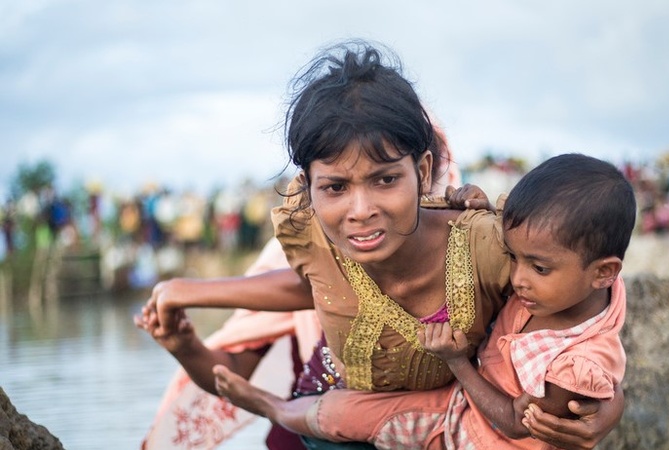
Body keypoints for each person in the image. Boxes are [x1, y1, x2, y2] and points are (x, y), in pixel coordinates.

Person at [136, 40, 623, 449]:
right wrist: (185, 338)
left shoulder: (487, 247)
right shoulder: (313, 242)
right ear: (307, 187)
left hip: (447, 426)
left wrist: (608, 403)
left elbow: (580, 310)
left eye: (386, 178)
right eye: (335, 187)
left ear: (425, 171)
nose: (360, 209)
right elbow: (291, 307)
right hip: (325, 418)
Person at [212, 153, 634, 449]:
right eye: (511, 255)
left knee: (342, 415)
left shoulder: (575, 358)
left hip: (473, 432)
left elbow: (512, 424)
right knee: (342, 409)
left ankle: (270, 405)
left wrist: (456, 362)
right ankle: (275, 407)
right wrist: (481, 215)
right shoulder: (558, 285)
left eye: (536, 267)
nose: (517, 277)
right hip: (456, 401)